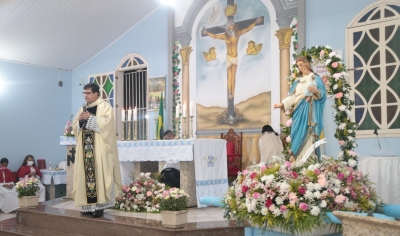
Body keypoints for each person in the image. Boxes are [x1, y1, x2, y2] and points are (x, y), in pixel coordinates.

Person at [72, 83, 122, 217]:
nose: (85, 96)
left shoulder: (104, 105)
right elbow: (75, 124)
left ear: (96, 94)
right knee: (85, 174)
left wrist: (90, 118)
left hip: (99, 148)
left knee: (99, 173)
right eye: (84, 93)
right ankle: (87, 206)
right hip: (85, 148)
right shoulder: (82, 108)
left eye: (88, 93)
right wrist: (80, 122)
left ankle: (100, 206)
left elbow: (108, 124)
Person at [274, 56, 326, 162]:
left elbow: (322, 95)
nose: (300, 67)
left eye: (301, 64)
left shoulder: (315, 78)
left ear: (307, 64)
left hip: (310, 111)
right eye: (298, 66)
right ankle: (297, 162)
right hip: (298, 111)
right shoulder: (297, 81)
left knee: (309, 134)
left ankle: (309, 162)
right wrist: (283, 104)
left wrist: (315, 91)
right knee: (297, 132)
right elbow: (292, 97)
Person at [202, 17, 262, 100]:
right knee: (229, 77)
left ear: (233, 26)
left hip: (234, 58)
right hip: (228, 58)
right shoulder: (225, 36)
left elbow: (248, 29)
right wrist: (207, 32)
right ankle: (229, 94)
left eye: (230, 25)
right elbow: (215, 36)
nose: (228, 27)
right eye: (227, 26)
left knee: (233, 77)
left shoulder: (237, 34)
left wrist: (256, 22)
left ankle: (232, 94)